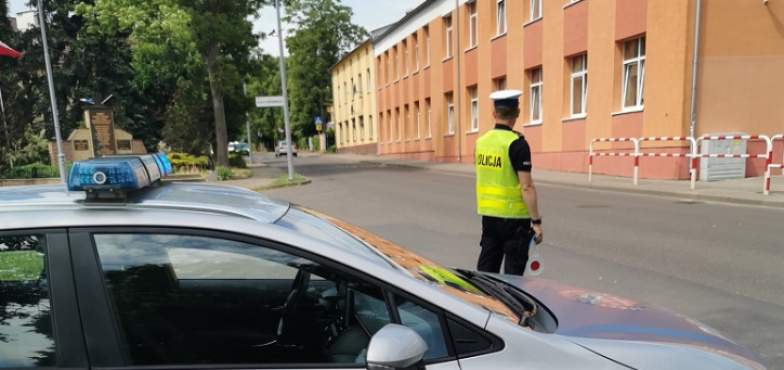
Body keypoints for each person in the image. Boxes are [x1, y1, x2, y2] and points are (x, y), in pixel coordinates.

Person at [474, 89, 543, 275]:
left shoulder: (481, 142)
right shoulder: (518, 144)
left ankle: (483, 303)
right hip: (515, 221)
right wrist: (536, 222)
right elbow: (526, 186)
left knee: (487, 271)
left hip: (489, 216)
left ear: (494, 113)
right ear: (518, 112)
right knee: (513, 275)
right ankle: (511, 305)